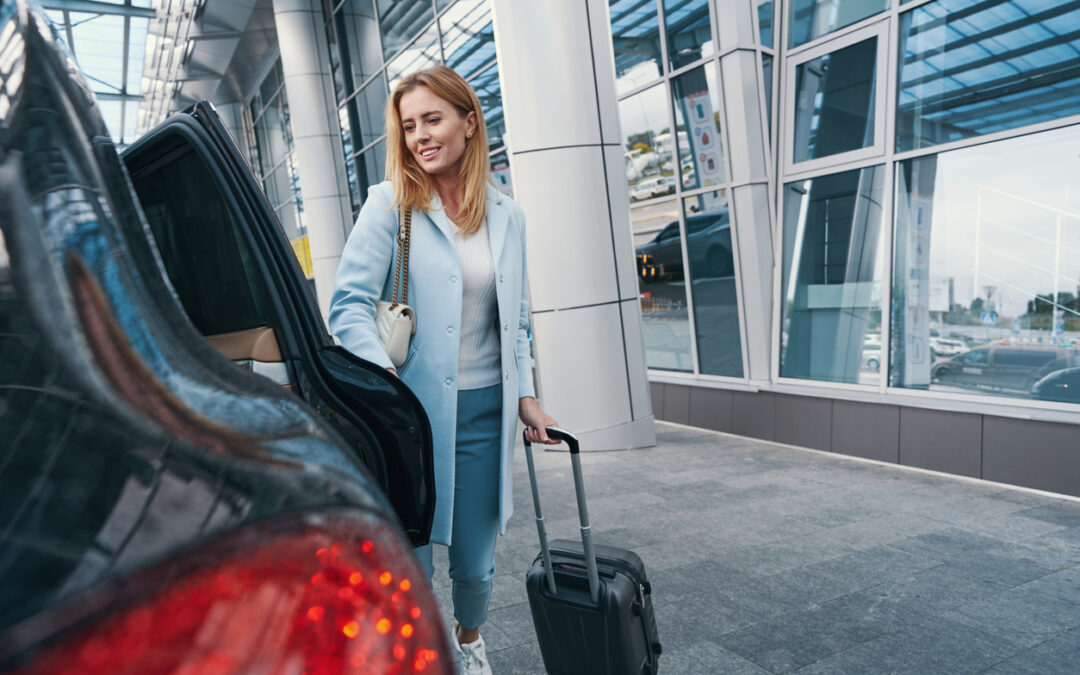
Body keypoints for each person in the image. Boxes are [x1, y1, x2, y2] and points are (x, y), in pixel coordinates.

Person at [328, 65, 558, 674]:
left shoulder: (508, 216)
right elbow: (347, 308)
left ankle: (470, 643)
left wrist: (527, 396)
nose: (421, 136)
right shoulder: (390, 206)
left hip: (487, 412)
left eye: (433, 119)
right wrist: (386, 384)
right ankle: (424, 652)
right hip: (410, 417)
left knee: (476, 558)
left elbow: (518, 323)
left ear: (468, 121)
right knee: (414, 554)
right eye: (409, 127)